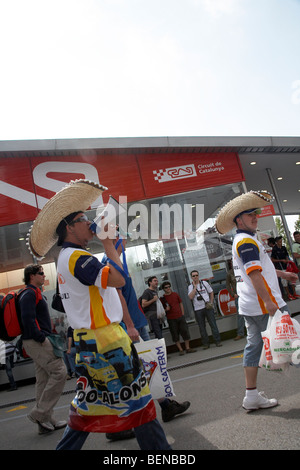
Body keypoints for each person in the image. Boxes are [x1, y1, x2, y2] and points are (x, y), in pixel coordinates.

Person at [27, 179, 171, 450]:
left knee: (86, 412)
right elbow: (119, 280)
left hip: (91, 342)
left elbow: (101, 285)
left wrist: (110, 247)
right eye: (83, 219)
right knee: (138, 402)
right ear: (69, 227)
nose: (90, 223)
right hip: (106, 342)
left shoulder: (68, 258)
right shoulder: (78, 258)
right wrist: (106, 245)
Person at [215, 190, 299, 411]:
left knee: (254, 348)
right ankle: (251, 396)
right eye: (250, 213)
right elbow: (253, 274)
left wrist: (283, 275)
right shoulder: (246, 241)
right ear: (238, 220)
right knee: (293, 344)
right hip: (266, 305)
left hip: (251, 306)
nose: (255, 216)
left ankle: (251, 396)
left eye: (256, 212)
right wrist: (271, 304)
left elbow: (259, 269)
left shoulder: (244, 240)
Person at [104, 237, 191, 436]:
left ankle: (165, 406)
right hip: (128, 328)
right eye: (121, 237)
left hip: (131, 325)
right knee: (134, 374)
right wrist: (130, 325)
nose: (125, 241)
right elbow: (116, 294)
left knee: (144, 370)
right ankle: (120, 424)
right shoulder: (112, 260)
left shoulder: (116, 257)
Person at [19, 264, 68, 434]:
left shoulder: (33, 293)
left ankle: (46, 420)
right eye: (41, 273)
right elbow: (27, 318)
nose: (44, 276)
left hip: (35, 340)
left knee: (43, 379)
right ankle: (39, 413)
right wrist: (41, 337)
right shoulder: (29, 293)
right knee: (60, 371)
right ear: (32, 276)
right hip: (37, 341)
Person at [160, 281, 197, 355]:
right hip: (171, 318)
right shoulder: (162, 299)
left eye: (169, 287)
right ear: (163, 289)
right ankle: (180, 350)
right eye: (166, 287)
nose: (168, 288)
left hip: (180, 316)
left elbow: (180, 303)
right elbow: (161, 310)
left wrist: (182, 313)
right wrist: (165, 309)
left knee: (185, 332)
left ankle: (187, 348)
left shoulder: (175, 294)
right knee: (175, 334)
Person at [188, 271, 222, 349]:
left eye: (196, 275)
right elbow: (190, 297)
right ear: (191, 277)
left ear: (198, 275)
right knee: (202, 327)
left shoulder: (204, 283)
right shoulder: (190, 287)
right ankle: (206, 343)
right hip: (198, 309)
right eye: (193, 276)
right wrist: (195, 287)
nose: (195, 277)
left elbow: (211, 292)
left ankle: (217, 341)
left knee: (213, 324)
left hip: (207, 307)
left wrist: (211, 301)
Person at [271, 236, 298, 300]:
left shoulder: (283, 248)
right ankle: (288, 294)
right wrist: (281, 260)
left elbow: (286, 255)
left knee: (291, 279)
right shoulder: (274, 249)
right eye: (279, 242)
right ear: (277, 242)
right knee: (284, 281)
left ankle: (294, 293)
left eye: (281, 241)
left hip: (287, 266)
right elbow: (272, 259)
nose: (281, 243)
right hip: (280, 267)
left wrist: (287, 260)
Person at [226, 260, 245, 340]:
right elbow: (227, 285)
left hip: (246, 294)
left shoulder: (242, 269)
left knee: (252, 312)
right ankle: (240, 333)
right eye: (232, 262)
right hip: (238, 296)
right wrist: (233, 294)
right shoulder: (230, 273)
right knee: (240, 315)